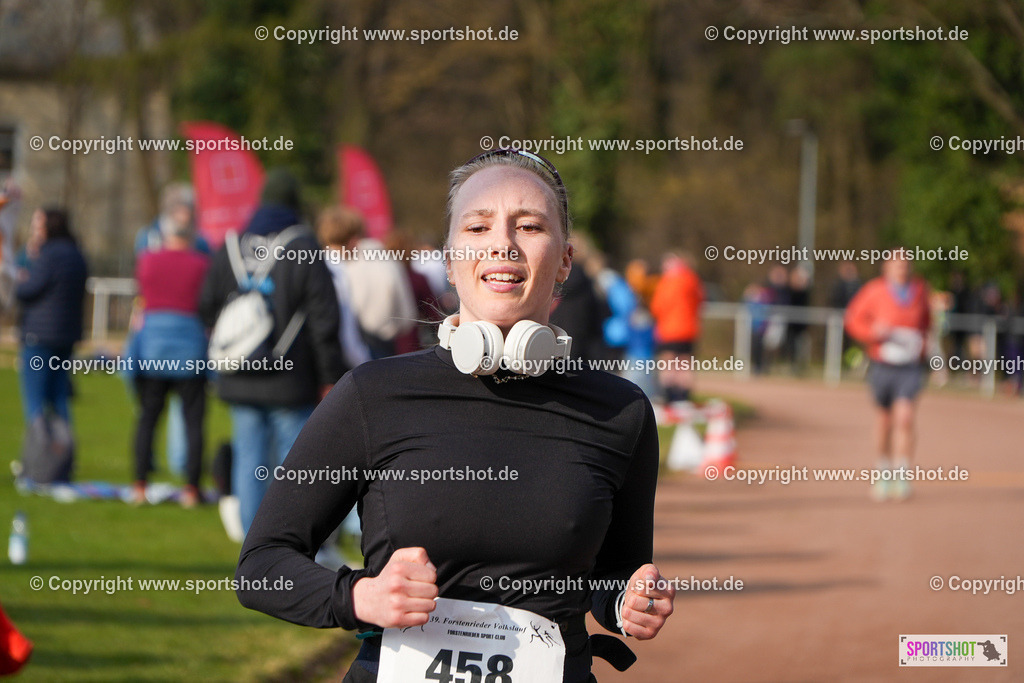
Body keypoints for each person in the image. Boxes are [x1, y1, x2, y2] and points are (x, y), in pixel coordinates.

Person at [237, 149, 674, 682]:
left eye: (530, 225)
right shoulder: (372, 395)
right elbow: (261, 566)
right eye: (478, 225)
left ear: (564, 259)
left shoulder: (621, 412)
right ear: (448, 258)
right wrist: (361, 595)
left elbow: (614, 575)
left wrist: (628, 602)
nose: (502, 243)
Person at [199, 169, 346, 535]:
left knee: (249, 461)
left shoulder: (232, 244)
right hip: (290, 378)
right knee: (293, 464)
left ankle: (255, 546)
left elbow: (205, 305)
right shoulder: (304, 246)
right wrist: (330, 376)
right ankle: (289, 542)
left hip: (239, 375)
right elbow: (324, 320)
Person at [130, 210, 210, 507]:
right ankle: (191, 488)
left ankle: (139, 485)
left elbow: (144, 299)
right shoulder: (202, 265)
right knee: (193, 422)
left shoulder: (148, 260)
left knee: (148, 419)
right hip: (190, 349)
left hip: (154, 350)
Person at [845, 248, 931, 501]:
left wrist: (923, 345)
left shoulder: (919, 291)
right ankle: (883, 471)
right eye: (897, 265)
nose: (902, 269)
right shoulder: (874, 291)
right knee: (884, 420)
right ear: (887, 268)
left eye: (905, 265)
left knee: (905, 417)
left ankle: (902, 475)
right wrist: (873, 332)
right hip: (883, 364)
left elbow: (927, 323)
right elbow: (853, 320)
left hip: (910, 366)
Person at [16, 208, 88, 426]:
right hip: (66, 336)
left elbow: (27, 290)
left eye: (38, 226)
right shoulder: (76, 254)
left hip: (40, 336)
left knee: (35, 400)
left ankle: (39, 456)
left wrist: (22, 277)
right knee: (59, 398)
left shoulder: (47, 255)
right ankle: (63, 454)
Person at [650, 252, 703, 403]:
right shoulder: (692, 279)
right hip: (689, 330)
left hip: (669, 330)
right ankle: (684, 397)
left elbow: (657, 307)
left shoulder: (666, 282)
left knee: (668, 363)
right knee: (685, 364)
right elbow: (700, 301)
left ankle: (669, 396)